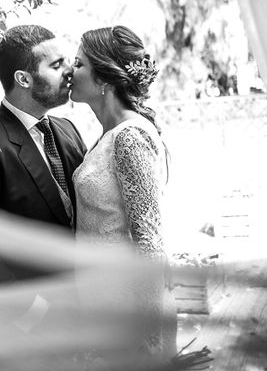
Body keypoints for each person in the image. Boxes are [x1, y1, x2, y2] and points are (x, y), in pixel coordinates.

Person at [0, 24, 87, 370]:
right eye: (56, 66)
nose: (69, 72)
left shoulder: (68, 131)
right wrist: (35, 310)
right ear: (24, 79)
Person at [69, 25, 177, 361]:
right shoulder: (108, 135)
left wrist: (146, 332)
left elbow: (149, 241)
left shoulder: (129, 138)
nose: (70, 72)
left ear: (103, 79)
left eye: (78, 64)